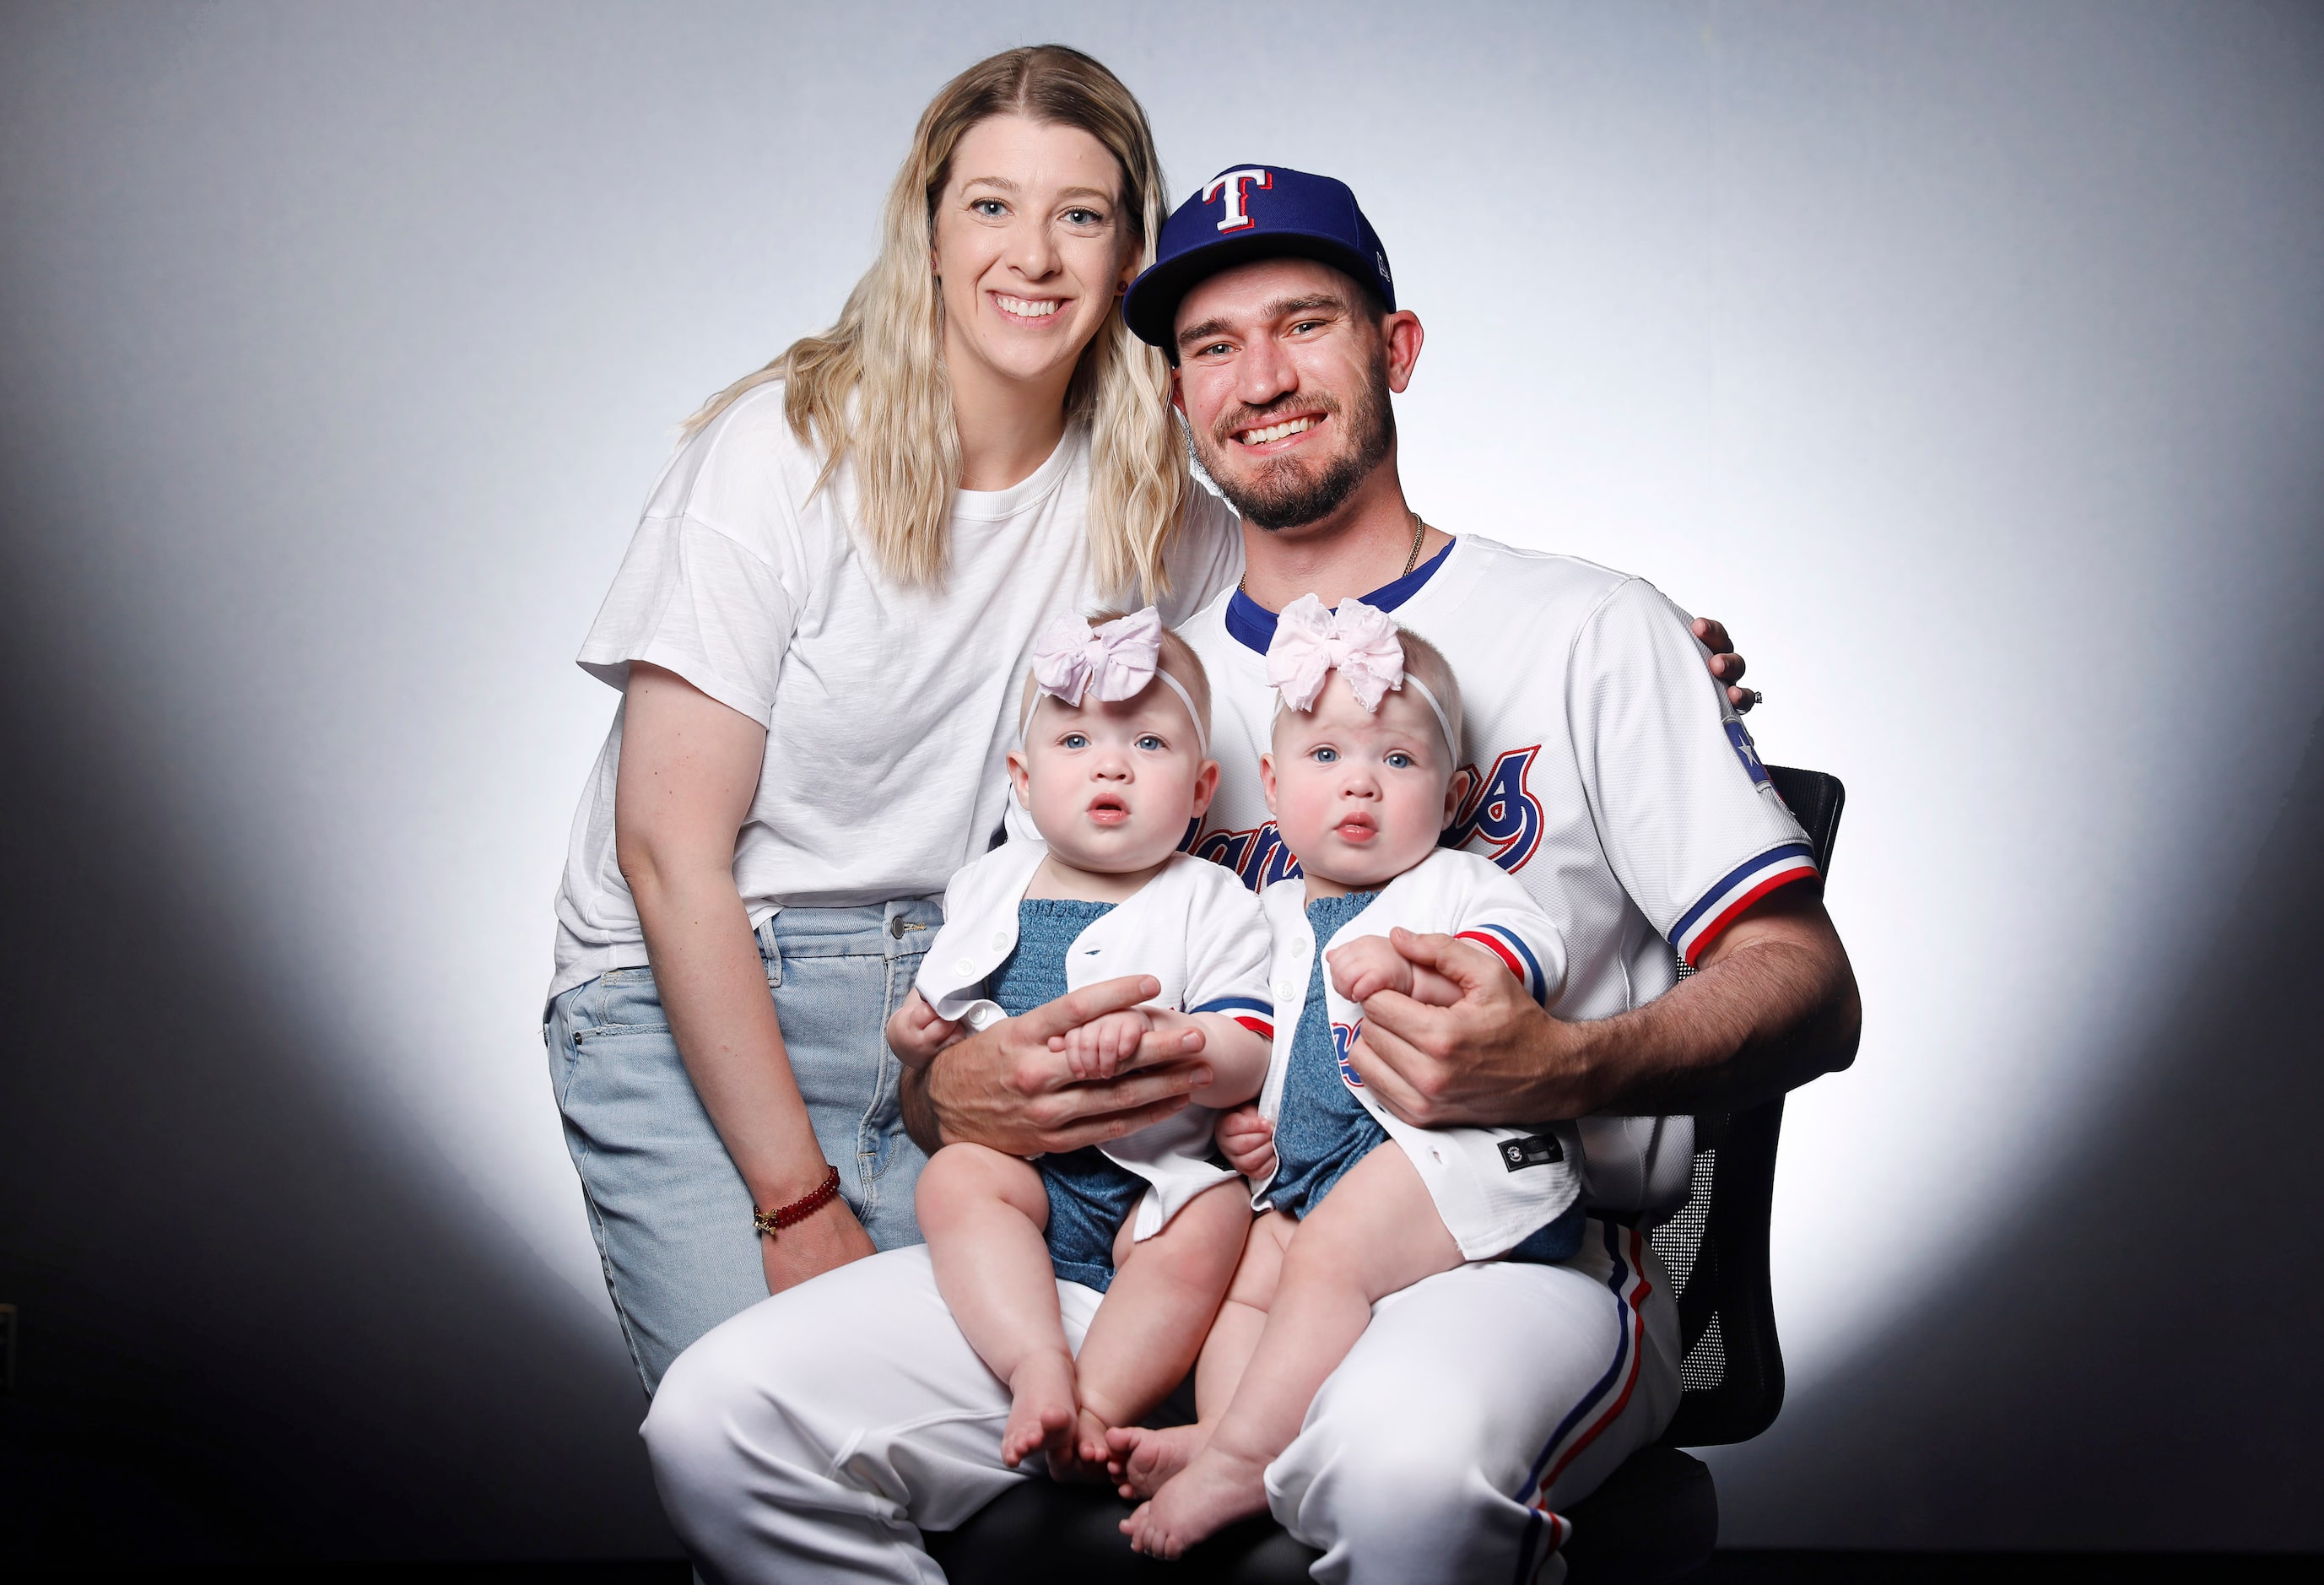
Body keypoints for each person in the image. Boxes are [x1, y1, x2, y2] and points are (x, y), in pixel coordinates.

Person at [640, 163, 1855, 1585]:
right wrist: (944, 1086)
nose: (1259, 376)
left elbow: (1803, 987)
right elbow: (964, 1033)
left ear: (1392, 352)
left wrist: (1557, 1062)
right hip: (1149, 1251)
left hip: (1483, 1253)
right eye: (1212, 345)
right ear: (1174, 395)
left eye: (1304, 324)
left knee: (1398, 1472)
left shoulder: (1591, 630)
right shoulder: (1127, 680)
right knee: (724, 1423)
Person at [539, 46, 1248, 1395]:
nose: (1032, 256)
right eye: (990, 205)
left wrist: (1604, 641)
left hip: (960, 988)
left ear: (1128, 254)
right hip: (698, 991)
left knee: (1014, 1434)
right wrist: (794, 1203)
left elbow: (1348, 609)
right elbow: (666, 854)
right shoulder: (781, 450)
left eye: (1079, 215)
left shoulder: (1144, 497)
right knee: (773, 1417)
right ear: (926, 229)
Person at [1117, 600, 1586, 1555]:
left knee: (1326, 1252)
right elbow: (1258, 1039)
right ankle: (1233, 1430)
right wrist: (1245, 1121)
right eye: (1326, 759)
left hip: (1459, 1159)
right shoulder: (1264, 914)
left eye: (1398, 761)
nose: (1361, 786)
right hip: (1306, 1182)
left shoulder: (1455, 886)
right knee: (1246, 1282)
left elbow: (1527, 951)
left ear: (1454, 797)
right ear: (1273, 786)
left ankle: (1246, 1459)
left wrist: (1419, 967)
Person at [889, 610, 1272, 1475]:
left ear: (1203, 787)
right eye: (1074, 741)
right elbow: (939, 1015)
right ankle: (1036, 1366)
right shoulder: (986, 887)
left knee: (1214, 1221)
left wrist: (1172, 1040)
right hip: (1023, 1173)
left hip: (1153, 1182)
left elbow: (1248, 1044)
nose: (1110, 763)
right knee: (956, 1178)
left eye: (1147, 743)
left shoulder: (1212, 901)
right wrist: (911, 1034)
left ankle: (1096, 1405)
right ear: (1022, 779)